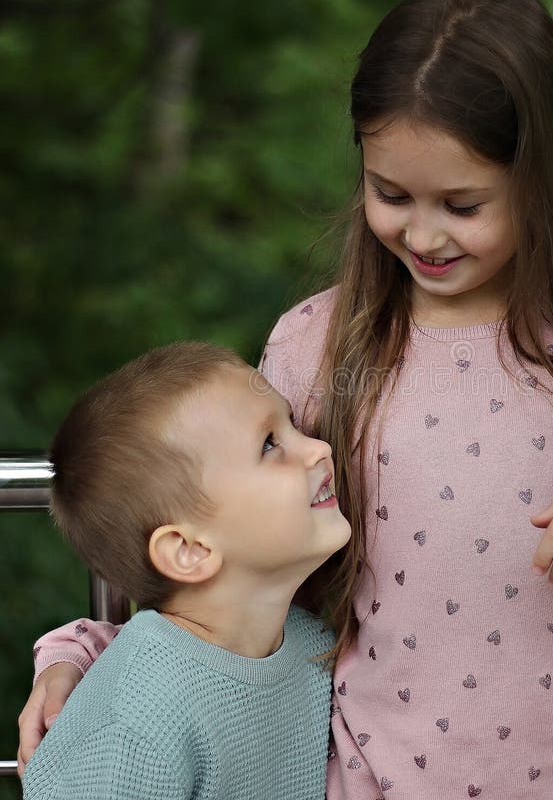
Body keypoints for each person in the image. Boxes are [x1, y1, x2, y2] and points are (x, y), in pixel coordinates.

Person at [19, 0, 553, 800]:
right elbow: (221, 559)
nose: (421, 233)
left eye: (462, 203)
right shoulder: (319, 345)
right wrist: (86, 658)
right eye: (391, 195)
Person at [20, 342, 351, 800]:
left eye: (291, 424)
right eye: (270, 444)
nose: (319, 448)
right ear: (189, 549)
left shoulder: (312, 642)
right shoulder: (138, 720)